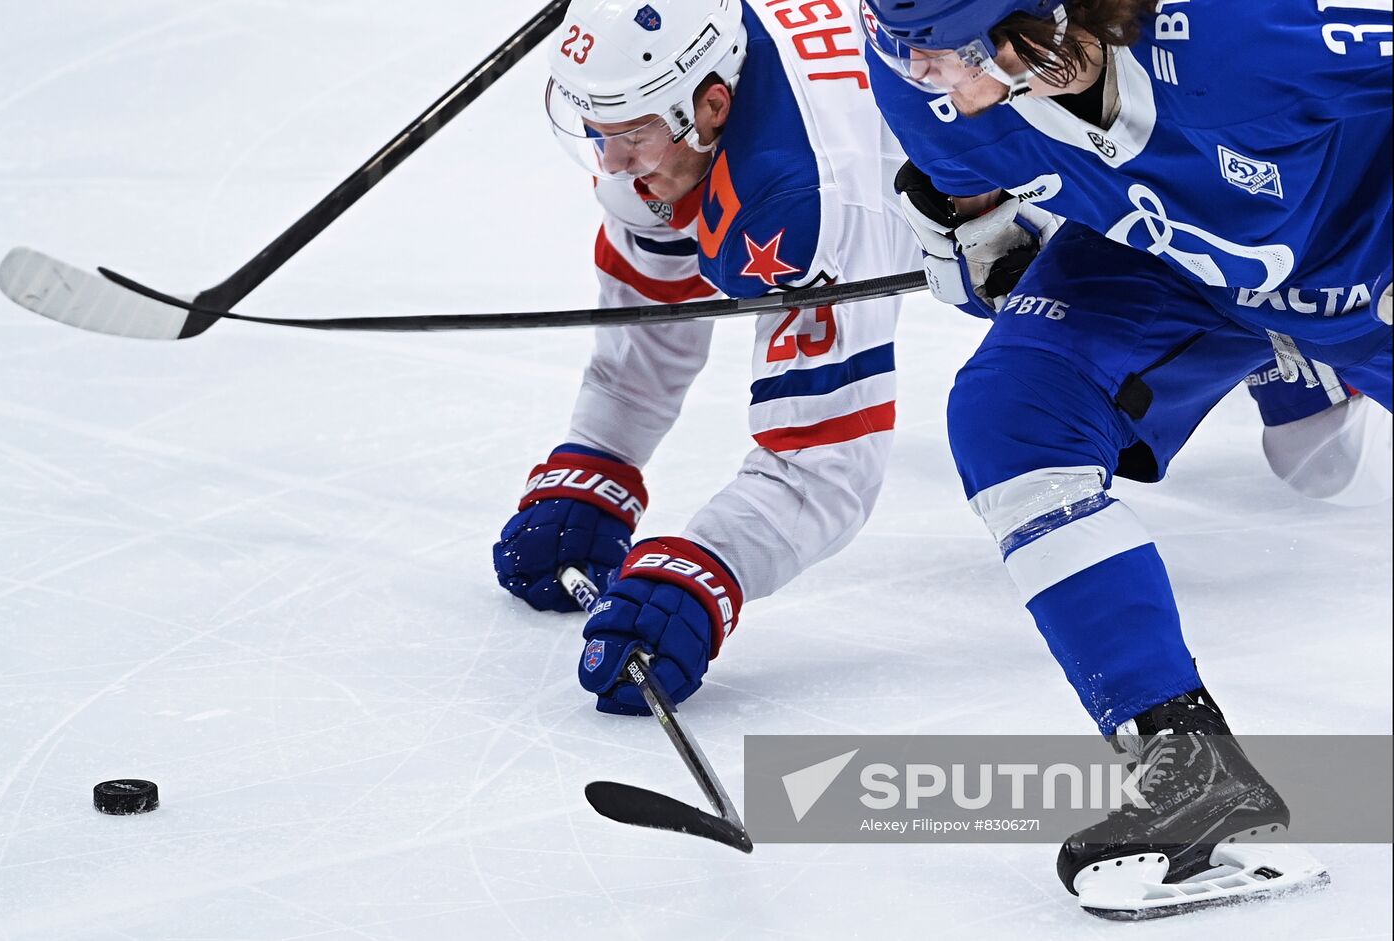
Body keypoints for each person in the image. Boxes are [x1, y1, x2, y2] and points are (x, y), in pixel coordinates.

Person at [861, 0, 1391, 917]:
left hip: (1364, 258)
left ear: (1049, 23)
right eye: (901, 49)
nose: (920, 78)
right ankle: (1186, 762)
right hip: (1165, 263)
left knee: (1318, 463)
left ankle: (1308, 372)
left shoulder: (1248, 31)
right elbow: (974, 196)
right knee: (1013, 416)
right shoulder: (922, 67)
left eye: (944, 53)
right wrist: (975, 226)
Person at [494, 0, 923, 716]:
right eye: (596, 132)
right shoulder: (670, 124)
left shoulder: (807, 197)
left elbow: (828, 464)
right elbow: (656, 303)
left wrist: (705, 568)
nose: (611, 164)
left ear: (712, 105)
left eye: (629, 134)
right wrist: (600, 455)